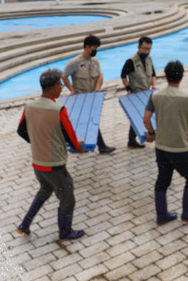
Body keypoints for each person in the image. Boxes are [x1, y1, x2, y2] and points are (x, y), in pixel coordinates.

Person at [16, 68, 86, 241]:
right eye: (60, 85)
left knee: (44, 190)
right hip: (54, 164)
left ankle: (24, 225)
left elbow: (21, 130)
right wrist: (78, 147)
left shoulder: (29, 107)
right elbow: (71, 137)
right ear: (54, 87)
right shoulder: (58, 110)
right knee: (67, 197)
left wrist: (37, 142)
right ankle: (65, 232)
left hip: (38, 163)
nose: (61, 88)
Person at [143, 60, 188, 225]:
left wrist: (150, 133)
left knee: (163, 180)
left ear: (165, 76)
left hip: (161, 147)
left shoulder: (155, 95)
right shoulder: (187, 97)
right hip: (180, 148)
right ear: (182, 77)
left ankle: (162, 216)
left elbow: (146, 118)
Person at [61, 34, 115, 154]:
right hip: (80, 98)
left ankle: (81, 146)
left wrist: (97, 88)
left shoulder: (95, 61)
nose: (95, 50)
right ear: (87, 47)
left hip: (92, 97)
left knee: (90, 121)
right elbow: (64, 75)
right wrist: (71, 89)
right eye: (94, 47)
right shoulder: (74, 62)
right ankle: (100, 146)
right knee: (88, 122)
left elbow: (100, 75)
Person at [121, 36, 157, 149]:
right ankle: (131, 141)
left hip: (147, 92)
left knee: (149, 115)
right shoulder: (131, 61)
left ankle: (149, 136)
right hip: (136, 93)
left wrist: (154, 85)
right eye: (144, 48)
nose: (146, 51)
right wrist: (128, 88)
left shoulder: (149, 59)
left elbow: (153, 74)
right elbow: (123, 75)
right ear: (139, 47)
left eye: (149, 49)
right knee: (137, 117)